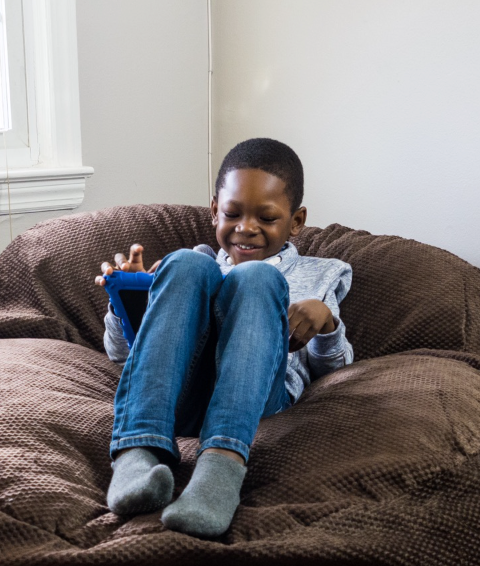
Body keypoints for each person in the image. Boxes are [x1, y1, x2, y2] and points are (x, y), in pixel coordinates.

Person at [98, 137, 354, 538]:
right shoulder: (192, 266)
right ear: (215, 211)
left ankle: (219, 469)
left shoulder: (322, 274)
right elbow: (119, 353)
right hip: (183, 397)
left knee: (257, 277)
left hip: (255, 400)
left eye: (266, 218)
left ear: (296, 221)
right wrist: (129, 297)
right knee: (186, 262)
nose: (245, 228)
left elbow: (336, 369)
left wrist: (326, 324)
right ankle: (137, 452)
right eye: (232, 213)